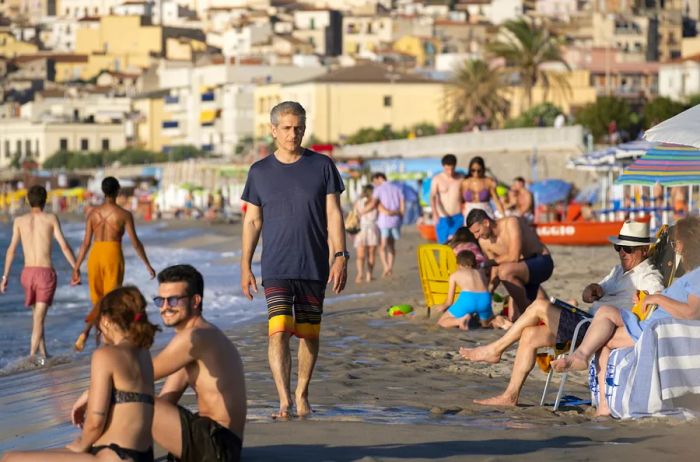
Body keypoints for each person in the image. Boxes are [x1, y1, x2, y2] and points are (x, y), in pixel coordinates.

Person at [460, 220, 664, 407]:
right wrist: (593, 290)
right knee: (530, 334)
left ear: (644, 250)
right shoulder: (619, 271)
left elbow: (654, 303)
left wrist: (645, 300)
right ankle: (510, 396)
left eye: (628, 249)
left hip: (598, 330)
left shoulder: (649, 276)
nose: (622, 253)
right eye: (618, 247)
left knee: (540, 305)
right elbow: (586, 296)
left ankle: (495, 349)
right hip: (586, 322)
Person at [240, 101, 347, 419]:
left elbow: (333, 214)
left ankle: (302, 394)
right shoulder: (259, 172)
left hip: (314, 263)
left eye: (298, 127)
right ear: (273, 130)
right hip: (275, 266)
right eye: (286, 127)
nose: (293, 133)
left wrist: (340, 255)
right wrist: (245, 264)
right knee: (279, 330)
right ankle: (284, 399)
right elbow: (252, 221)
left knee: (309, 333)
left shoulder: (323, 166)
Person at [551, 216, 700, 416]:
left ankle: (582, 363)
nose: (675, 247)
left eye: (676, 242)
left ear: (686, 243)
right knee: (603, 326)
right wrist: (647, 302)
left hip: (654, 329)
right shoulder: (691, 274)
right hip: (650, 323)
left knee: (604, 325)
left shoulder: (696, 275)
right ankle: (600, 400)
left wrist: (657, 298)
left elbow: (691, 311)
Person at [3, 286, 160, 462]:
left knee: (10, 458)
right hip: (141, 455)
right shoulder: (143, 354)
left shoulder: (105, 355)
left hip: (113, 456)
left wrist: (79, 445)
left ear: (106, 320)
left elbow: (95, 423)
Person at [146, 265, 246, 461]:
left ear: (195, 301)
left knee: (127, 396)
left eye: (173, 300)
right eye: (160, 300)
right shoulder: (200, 338)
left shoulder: (195, 337)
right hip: (218, 444)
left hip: (218, 447)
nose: (165, 307)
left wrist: (94, 393)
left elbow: (137, 375)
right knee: (132, 399)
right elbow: (166, 401)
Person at [72, 177, 156, 351]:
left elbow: (86, 243)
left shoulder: (92, 214)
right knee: (110, 300)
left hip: (95, 255)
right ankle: (91, 334)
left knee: (99, 300)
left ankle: (100, 337)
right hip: (113, 254)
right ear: (117, 191)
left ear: (103, 191)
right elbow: (135, 242)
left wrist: (77, 267)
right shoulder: (124, 214)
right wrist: (147, 264)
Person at [0, 185, 78, 365]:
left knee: (37, 315)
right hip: (44, 274)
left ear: (28, 200)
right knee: (39, 318)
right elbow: (63, 245)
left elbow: (11, 250)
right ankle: (31, 358)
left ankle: (44, 353)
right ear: (45, 200)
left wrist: (4, 277)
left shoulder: (19, 221)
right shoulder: (51, 218)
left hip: (27, 274)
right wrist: (75, 267)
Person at [466, 209, 553, 320]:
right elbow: (495, 267)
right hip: (522, 272)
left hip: (541, 262)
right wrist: (490, 289)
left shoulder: (510, 223)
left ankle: (525, 312)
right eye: (473, 233)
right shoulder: (484, 242)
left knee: (505, 272)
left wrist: (486, 263)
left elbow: (514, 256)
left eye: (477, 231)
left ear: (486, 223)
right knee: (538, 311)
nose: (476, 237)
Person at [433, 250, 492, 330]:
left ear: (458, 264)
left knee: (442, 322)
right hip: (485, 298)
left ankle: (459, 321)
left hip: (468, 299)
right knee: (487, 324)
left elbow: (449, 302)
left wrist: (443, 306)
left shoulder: (455, 275)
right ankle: (500, 321)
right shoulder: (481, 271)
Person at [364, 172, 404, 278]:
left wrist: (362, 211)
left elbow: (373, 204)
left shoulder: (379, 189)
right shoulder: (397, 188)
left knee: (382, 247)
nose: (374, 184)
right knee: (391, 245)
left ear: (379, 178)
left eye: (374, 181)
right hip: (396, 220)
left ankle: (386, 267)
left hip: (384, 221)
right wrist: (400, 217)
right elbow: (402, 205)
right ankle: (390, 267)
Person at [429, 154, 465, 244]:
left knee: (457, 245)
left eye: (452, 169)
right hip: (442, 217)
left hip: (458, 216)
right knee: (443, 246)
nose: (450, 172)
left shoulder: (460, 178)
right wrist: (434, 213)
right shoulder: (437, 179)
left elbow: (466, 196)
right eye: (447, 169)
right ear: (443, 167)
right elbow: (432, 196)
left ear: (455, 166)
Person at [353, 184, 380, 283]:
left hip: (361, 229)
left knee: (360, 255)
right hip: (373, 228)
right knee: (371, 254)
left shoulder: (358, 202)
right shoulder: (375, 202)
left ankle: (360, 274)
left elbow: (355, 216)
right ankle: (369, 275)